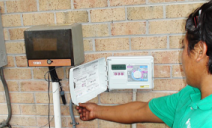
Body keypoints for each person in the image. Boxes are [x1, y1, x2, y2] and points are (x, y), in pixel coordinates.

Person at [76, 1, 212, 128]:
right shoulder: (191, 95)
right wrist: (96, 111)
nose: (182, 55)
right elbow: (141, 110)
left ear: (199, 51)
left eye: (184, 47)